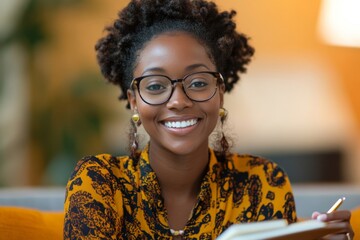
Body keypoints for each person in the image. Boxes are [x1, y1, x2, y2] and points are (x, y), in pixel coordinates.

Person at [63, 0, 354, 239]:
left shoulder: (263, 183)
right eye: (155, 86)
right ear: (134, 100)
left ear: (220, 93)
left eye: (199, 82)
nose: (179, 100)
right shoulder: (98, 183)